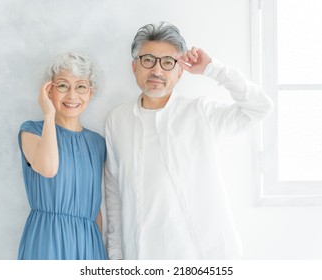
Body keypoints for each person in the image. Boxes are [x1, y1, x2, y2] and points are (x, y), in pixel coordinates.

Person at [104, 22, 273, 260]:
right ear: (134, 67)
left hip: (201, 256)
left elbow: (260, 107)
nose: (157, 71)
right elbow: (114, 195)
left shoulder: (200, 112)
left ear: (180, 71)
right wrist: (115, 256)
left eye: (168, 62)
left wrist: (213, 69)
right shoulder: (116, 119)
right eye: (148, 60)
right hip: (140, 255)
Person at [17, 52, 107, 259]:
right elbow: (48, 168)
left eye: (81, 87)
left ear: (90, 93)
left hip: (88, 243)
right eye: (63, 86)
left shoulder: (97, 143)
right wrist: (48, 114)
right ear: (49, 91)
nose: (72, 96)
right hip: (46, 240)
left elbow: (95, 209)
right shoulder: (31, 131)